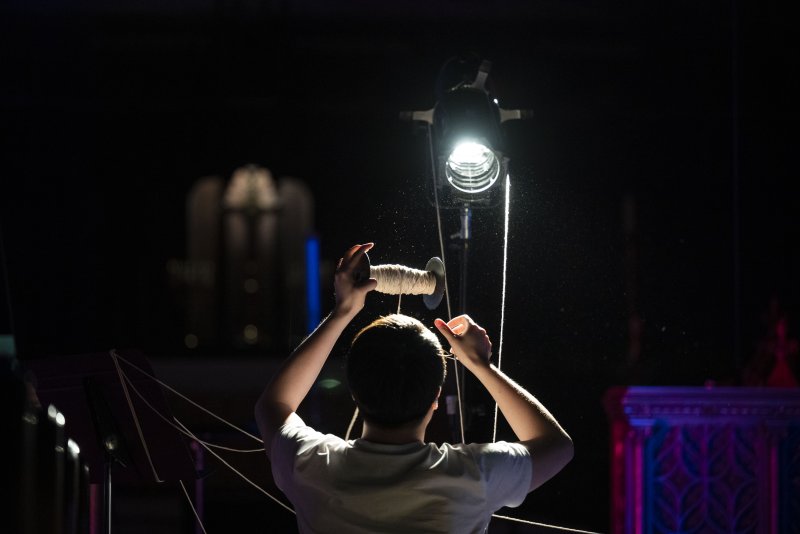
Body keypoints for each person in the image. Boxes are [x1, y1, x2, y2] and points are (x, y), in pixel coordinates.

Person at [255, 243, 573, 533]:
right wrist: (481, 366)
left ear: (354, 391)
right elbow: (557, 446)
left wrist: (342, 312)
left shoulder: (312, 467)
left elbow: (274, 404)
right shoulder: (474, 476)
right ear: (436, 397)